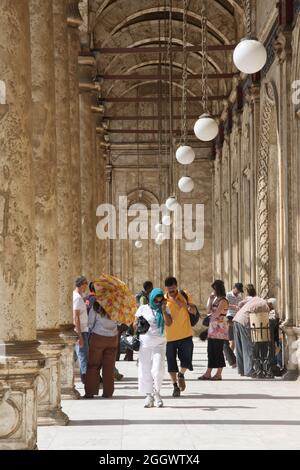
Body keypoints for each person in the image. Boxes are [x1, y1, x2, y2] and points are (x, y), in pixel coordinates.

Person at [135, 288, 172, 408]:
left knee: (157, 370)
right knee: (144, 369)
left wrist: (163, 311)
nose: (158, 300)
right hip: (145, 343)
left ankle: (157, 393)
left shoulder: (164, 308)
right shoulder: (143, 308)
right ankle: (148, 395)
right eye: (156, 298)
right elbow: (134, 324)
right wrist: (140, 323)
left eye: (160, 298)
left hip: (159, 343)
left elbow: (169, 323)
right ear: (151, 297)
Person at [164, 277, 198, 397]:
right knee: (171, 363)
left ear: (176, 286)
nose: (171, 292)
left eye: (173, 289)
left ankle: (181, 374)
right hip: (170, 337)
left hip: (186, 334)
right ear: (166, 289)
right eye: (169, 290)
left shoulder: (185, 295)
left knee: (186, 360)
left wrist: (184, 304)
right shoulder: (163, 300)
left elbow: (193, 311)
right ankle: (174, 386)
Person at [84, 300, 119, 399]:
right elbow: (119, 322)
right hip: (113, 338)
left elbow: (90, 323)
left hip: (98, 337)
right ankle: (108, 392)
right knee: (109, 367)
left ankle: (90, 392)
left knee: (93, 365)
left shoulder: (96, 306)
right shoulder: (116, 306)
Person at [199, 280, 229, 380]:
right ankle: (208, 373)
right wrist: (210, 299)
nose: (213, 291)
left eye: (214, 289)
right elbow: (208, 310)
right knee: (210, 351)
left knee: (218, 351)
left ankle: (219, 373)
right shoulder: (216, 299)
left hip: (219, 330)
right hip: (213, 328)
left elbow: (216, 314)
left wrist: (210, 315)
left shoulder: (223, 301)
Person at [233, 295, 269, 377]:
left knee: (239, 347)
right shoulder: (265, 306)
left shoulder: (256, 298)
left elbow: (240, 303)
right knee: (247, 347)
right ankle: (249, 370)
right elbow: (266, 318)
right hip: (245, 321)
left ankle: (242, 370)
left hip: (236, 319)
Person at [73, 276, 89, 384]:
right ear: (81, 284)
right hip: (81, 331)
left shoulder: (77, 297)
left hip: (81, 330)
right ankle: (86, 382)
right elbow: (76, 317)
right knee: (83, 357)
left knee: (74, 356)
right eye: (85, 284)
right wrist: (79, 336)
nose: (86, 286)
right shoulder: (77, 298)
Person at [224, 283, 244, 368]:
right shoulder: (227, 295)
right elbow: (224, 305)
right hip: (229, 317)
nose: (238, 292)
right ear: (234, 288)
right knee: (231, 339)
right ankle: (229, 358)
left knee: (234, 341)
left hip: (237, 318)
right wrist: (234, 306)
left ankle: (229, 358)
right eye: (238, 290)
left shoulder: (239, 297)